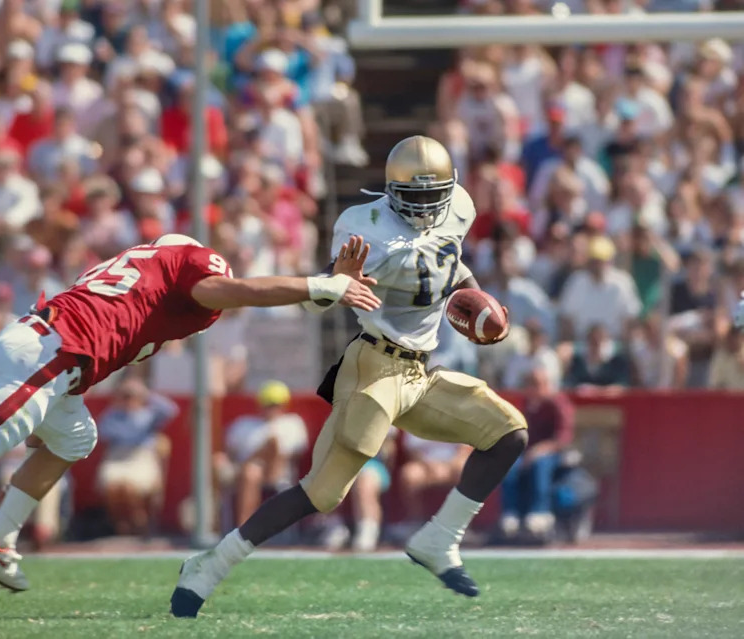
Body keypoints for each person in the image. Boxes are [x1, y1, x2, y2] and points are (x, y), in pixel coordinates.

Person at [0, 233, 380, 589]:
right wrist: (319, 285)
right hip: (55, 356)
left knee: (74, 437)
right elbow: (240, 292)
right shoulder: (192, 276)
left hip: (48, 351)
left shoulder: (141, 266)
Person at [171, 137, 529, 618]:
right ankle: (210, 564)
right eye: (414, 196)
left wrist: (475, 301)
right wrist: (337, 284)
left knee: (508, 433)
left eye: (433, 195)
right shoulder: (366, 229)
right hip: (374, 367)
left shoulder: (459, 209)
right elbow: (311, 297)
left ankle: (440, 540)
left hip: (420, 372)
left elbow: (450, 264)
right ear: (392, 189)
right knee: (322, 492)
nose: (425, 207)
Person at [498, 367, 575, 542]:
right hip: (527, 453)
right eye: (530, 384)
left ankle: (540, 512)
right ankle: (511, 514)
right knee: (508, 465)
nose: (533, 389)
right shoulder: (527, 405)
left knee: (541, 464)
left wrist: (538, 451)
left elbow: (562, 438)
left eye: (537, 384)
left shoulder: (558, 403)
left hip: (554, 455)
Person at [95, 377, 178, 536]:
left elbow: (171, 410)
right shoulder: (113, 415)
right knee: (112, 486)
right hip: (117, 458)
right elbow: (102, 432)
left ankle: (138, 521)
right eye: (126, 396)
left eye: (132, 396)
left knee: (129, 487)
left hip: (142, 459)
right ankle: (121, 523)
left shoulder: (149, 415)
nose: (129, 400)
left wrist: (145, 392)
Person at [220, 380, 308, 525]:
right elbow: (229, 452)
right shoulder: (244, 424)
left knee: (254, 468)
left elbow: (293, 456)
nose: (271, 409)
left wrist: (261, 455)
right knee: (219, 462)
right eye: (268, 404)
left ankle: (244, 529)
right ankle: (211, 523)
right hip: (239, 469)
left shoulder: (292, 424)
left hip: (274, 472)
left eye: (275, 404)